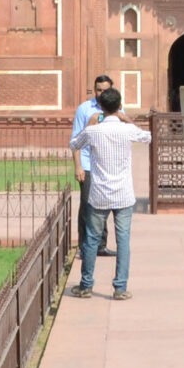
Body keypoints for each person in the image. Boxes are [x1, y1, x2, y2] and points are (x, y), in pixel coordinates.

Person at [69, 88, 149, 300]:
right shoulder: (127, 130)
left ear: (101, 107)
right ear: (119, 106)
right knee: (123, 241)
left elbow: (74, 144)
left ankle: (86, 285)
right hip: (123, 194)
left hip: (100, 194)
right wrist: (127, 119)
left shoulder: (94, 132)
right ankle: (120, 288)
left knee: (91, 240)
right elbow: (147, 137)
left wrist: (90, 124)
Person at [69, 74, 113, 253]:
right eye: (99, 90)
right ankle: (84, 246)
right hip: (88, 164)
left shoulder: (117, 108)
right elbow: (76, 139)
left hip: (107, 165)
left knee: (104, 205)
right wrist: (78, 166)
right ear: (94, 90)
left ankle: (101, 245)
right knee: (88, 205)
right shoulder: (84, 109)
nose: (102, 93)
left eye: (105, 90)